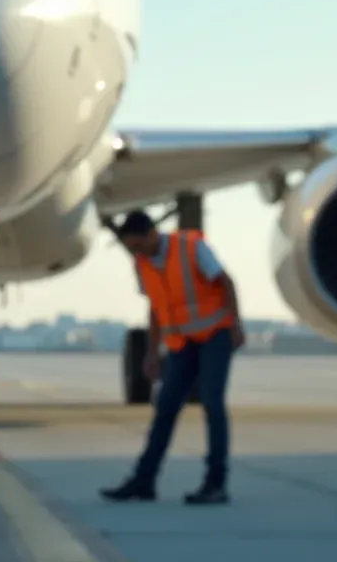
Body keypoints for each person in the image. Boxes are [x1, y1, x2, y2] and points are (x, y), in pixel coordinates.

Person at [100, 210, 245, 505]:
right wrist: (153, 352)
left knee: (212, 402)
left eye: (137, 245)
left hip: (215, 334)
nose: (135, 252)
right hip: (182, 343)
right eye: (130, 248)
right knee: (165, 408)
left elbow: (225, 281)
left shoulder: (191, 247)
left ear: (153, 233)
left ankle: (216, 483)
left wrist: (236, 324)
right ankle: (144, 481)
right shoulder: (142, 264)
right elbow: (155, 308)